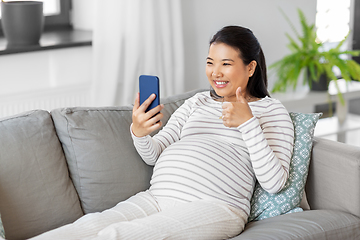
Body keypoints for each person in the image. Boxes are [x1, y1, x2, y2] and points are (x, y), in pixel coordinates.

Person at [31, 25, 294, 240]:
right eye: (210, 62)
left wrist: (248, 123)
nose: (215, 73)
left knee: (117, 235)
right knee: (81, 229)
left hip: (215, 206)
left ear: (250, 68)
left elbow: (274, 182)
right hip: (157, 198)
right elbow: (153, 155)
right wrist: (139, 131)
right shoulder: (197, 102)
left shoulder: (271, 111)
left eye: (226, 64)